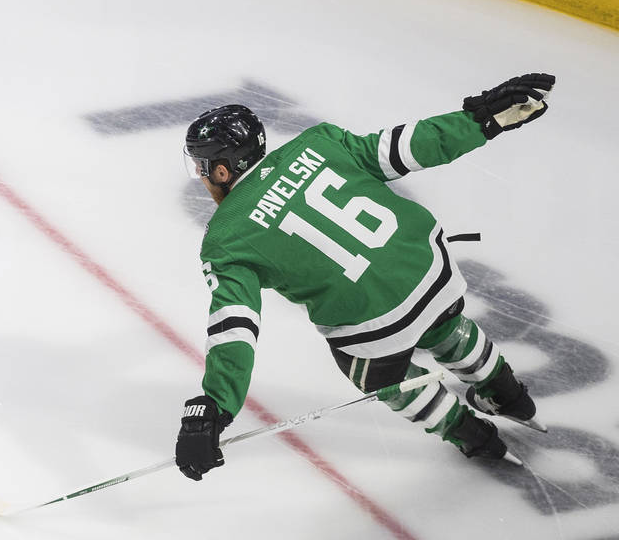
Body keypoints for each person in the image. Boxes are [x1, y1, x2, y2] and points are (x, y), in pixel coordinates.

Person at [173, 73, 556, 479]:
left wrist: (216, 407)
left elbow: (235, 329)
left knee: (378, 371)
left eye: (200, 167)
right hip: (432, 270)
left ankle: (471, 434)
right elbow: (408, 146)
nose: (199, 177)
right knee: (440, 319)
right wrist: (480, 120)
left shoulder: (225, 239)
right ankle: (509, 395)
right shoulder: (320, 142)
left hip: (375, 326)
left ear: (220, 170)